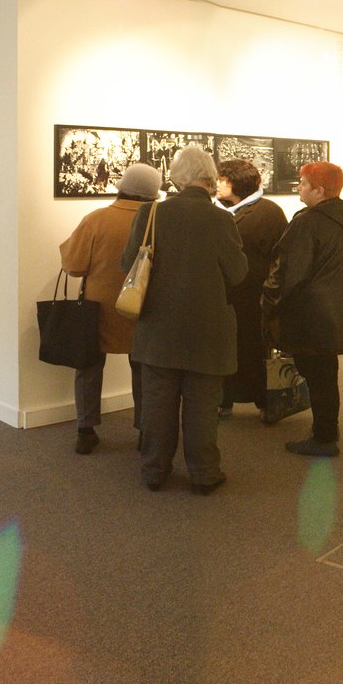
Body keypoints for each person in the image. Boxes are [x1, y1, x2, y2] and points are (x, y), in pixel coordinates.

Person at [122, 145, 247, 493]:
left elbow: (126, 265)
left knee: (157, 403)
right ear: (208, 180)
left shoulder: (149, 215)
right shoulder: (222, 219)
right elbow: (238, 273)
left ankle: (154, 470)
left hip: (157, 327)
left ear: (176, 179)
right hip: (208, 329)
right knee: (202, 405)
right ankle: (204, 474)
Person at [265, 161, 343, 457]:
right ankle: (327, 428)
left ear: (319, 190)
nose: (298, 187)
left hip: (310, 314)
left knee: (317, 374)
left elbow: (289, 274)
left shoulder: (307, 222)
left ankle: (323, 438)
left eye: (303, 183)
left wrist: (270, 304)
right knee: (326, 373)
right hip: (338, 311)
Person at [59, 163, 161, 454]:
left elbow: (74, 267)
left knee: (88, 367)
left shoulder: (96, 219)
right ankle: (145, 430)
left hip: (99, 308)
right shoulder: (157, 222)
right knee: (143, 370)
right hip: (143, 306)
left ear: (122, 187)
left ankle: (85, 430)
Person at [213, 158, 288, 416]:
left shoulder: (269, 212)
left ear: (238, 183)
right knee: (225, 349)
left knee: (256, 352)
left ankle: (265, 402)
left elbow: (281, 258)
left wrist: (272, 291)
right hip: (225, 297)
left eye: (222, 179)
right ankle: (225, 400)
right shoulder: (217, 210)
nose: (217, 184)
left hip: (256, 297)